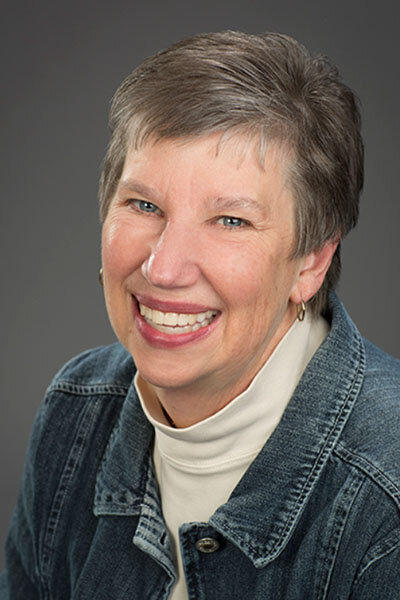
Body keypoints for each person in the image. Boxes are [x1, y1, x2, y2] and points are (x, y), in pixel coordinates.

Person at [1, 30, 399, 599]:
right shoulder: (74, 414)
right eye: (144, 205)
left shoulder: (388, 496)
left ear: (311, 260)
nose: (163, 269)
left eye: (230, 221)